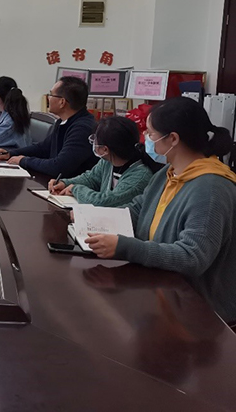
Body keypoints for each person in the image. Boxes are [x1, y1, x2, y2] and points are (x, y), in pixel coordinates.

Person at [85, 97, 236, 325]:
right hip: (162, 290)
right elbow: (137, 209)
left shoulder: (211, 189)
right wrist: (90, 218)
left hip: (200, 312)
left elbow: (192, 257)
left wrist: (125, 247)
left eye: (151, 133)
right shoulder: (168, 173)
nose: (145, 137)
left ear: (173, 138)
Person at [0, 76, 96, 178]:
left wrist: (24, 161)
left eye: (51, 95)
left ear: (62, 102)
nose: (48, 98)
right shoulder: (63, 121)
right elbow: (43, 148)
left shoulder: (83, 129)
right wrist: (11, 153)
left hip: (71, 185)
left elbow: (58, 167)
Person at [48, 116, 154, 207]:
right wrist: (64, 183)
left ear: (105, 149)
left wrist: (75, 189)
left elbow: (104, 202)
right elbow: (91, 178)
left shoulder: (140, 177)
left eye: (96, 140)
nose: (94, 143)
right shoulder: (108, 161)